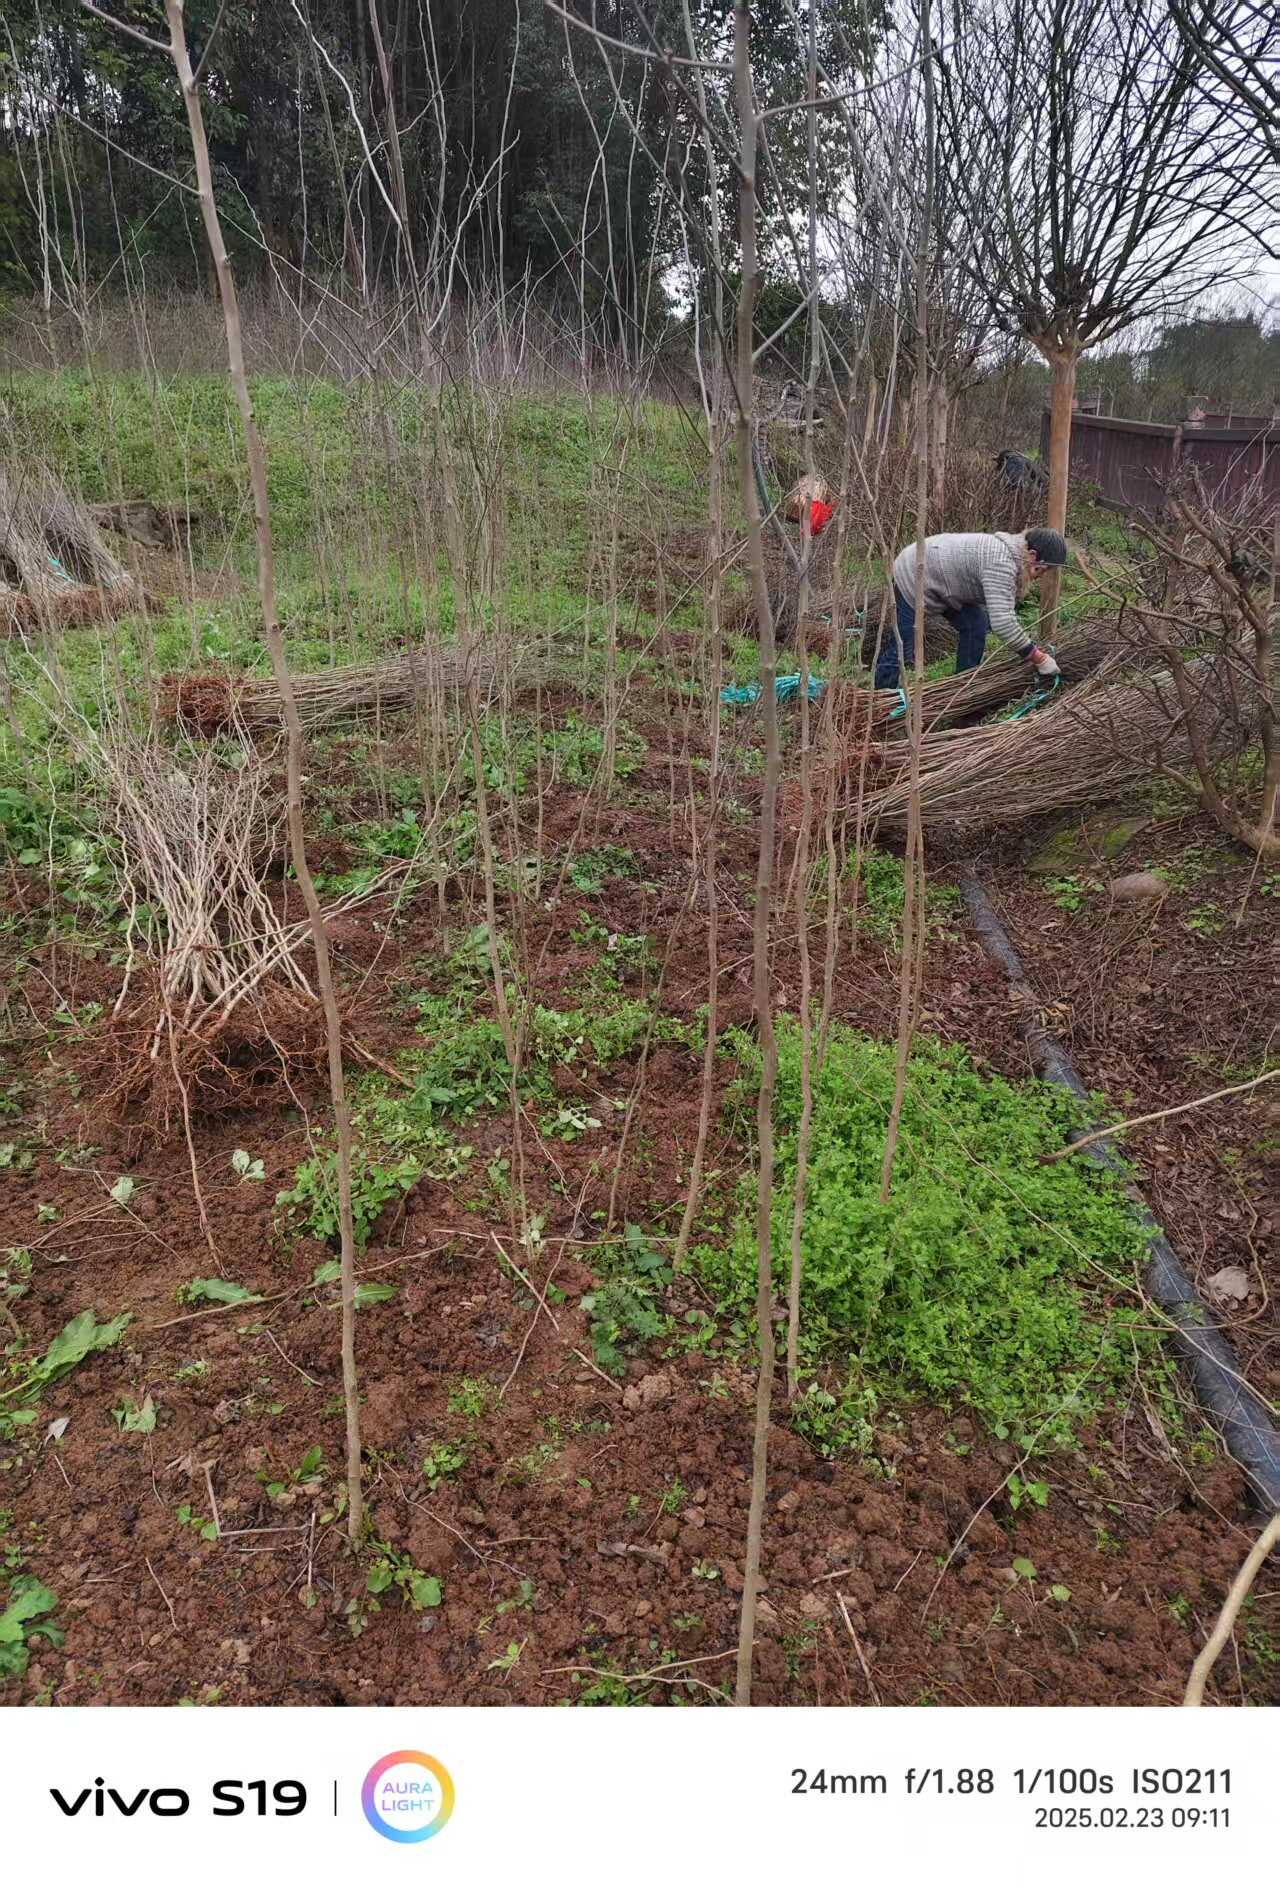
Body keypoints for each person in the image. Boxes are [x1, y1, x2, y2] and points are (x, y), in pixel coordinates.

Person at [873, 527, 1068, 691]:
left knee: (975, 625)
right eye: (1043, 569)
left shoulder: (1014, 553)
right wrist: (1039, 658)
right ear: (1032, 555)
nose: (1042, 576)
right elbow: (1003, 623)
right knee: (904, 640)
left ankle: (962, 687)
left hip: (945, 580)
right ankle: (882, 698)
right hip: (913, 572)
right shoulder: (1002, 562)